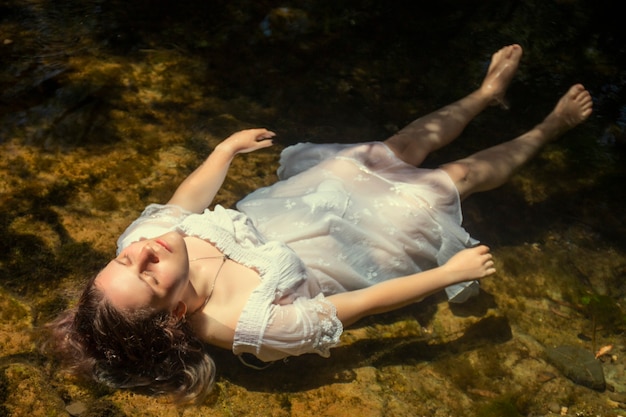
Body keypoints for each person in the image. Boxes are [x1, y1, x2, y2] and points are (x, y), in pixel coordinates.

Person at [45, 44, 593, 404]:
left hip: (303, 203)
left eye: (122, 258)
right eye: (145, 273)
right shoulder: (248, 325)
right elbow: (361, 306)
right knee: (454, 178)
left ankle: (484, 95)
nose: (141, 251)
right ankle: (550, 127)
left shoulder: (142, 242)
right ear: (179, 309)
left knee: (395, 147)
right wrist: (447, 271)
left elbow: (183, 203)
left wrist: (223, 151)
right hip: (357, 244)